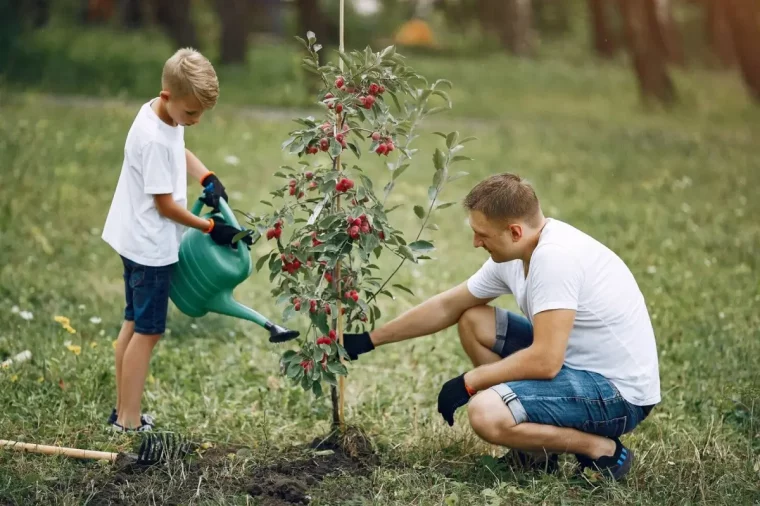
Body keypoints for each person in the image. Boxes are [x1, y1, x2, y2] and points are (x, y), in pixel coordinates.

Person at [342, 173, 660, 480]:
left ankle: (600, 449)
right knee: (472, 319)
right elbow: (448, 305)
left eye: (482, 234)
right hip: (576, 367)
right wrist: (369, 340)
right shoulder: (515, 255)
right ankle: (537, 453)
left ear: (515, 232)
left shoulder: (555, 260)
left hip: (618, 394)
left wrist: (470, 381)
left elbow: (546, 361)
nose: (475, 242)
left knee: (485, 413)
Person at [101, 48, 252, 432]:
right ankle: (130, 422)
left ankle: (121, 412)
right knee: (147, 332)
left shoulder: (160, 112)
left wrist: (207, 177)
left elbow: (178, 146)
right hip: (150, 248)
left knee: (133, 324)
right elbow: (165, 206)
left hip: (134, 237)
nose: (195, 121)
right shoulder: (152, 139)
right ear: (169, 97)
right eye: (191, 114)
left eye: (200, 114)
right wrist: (209, 228)